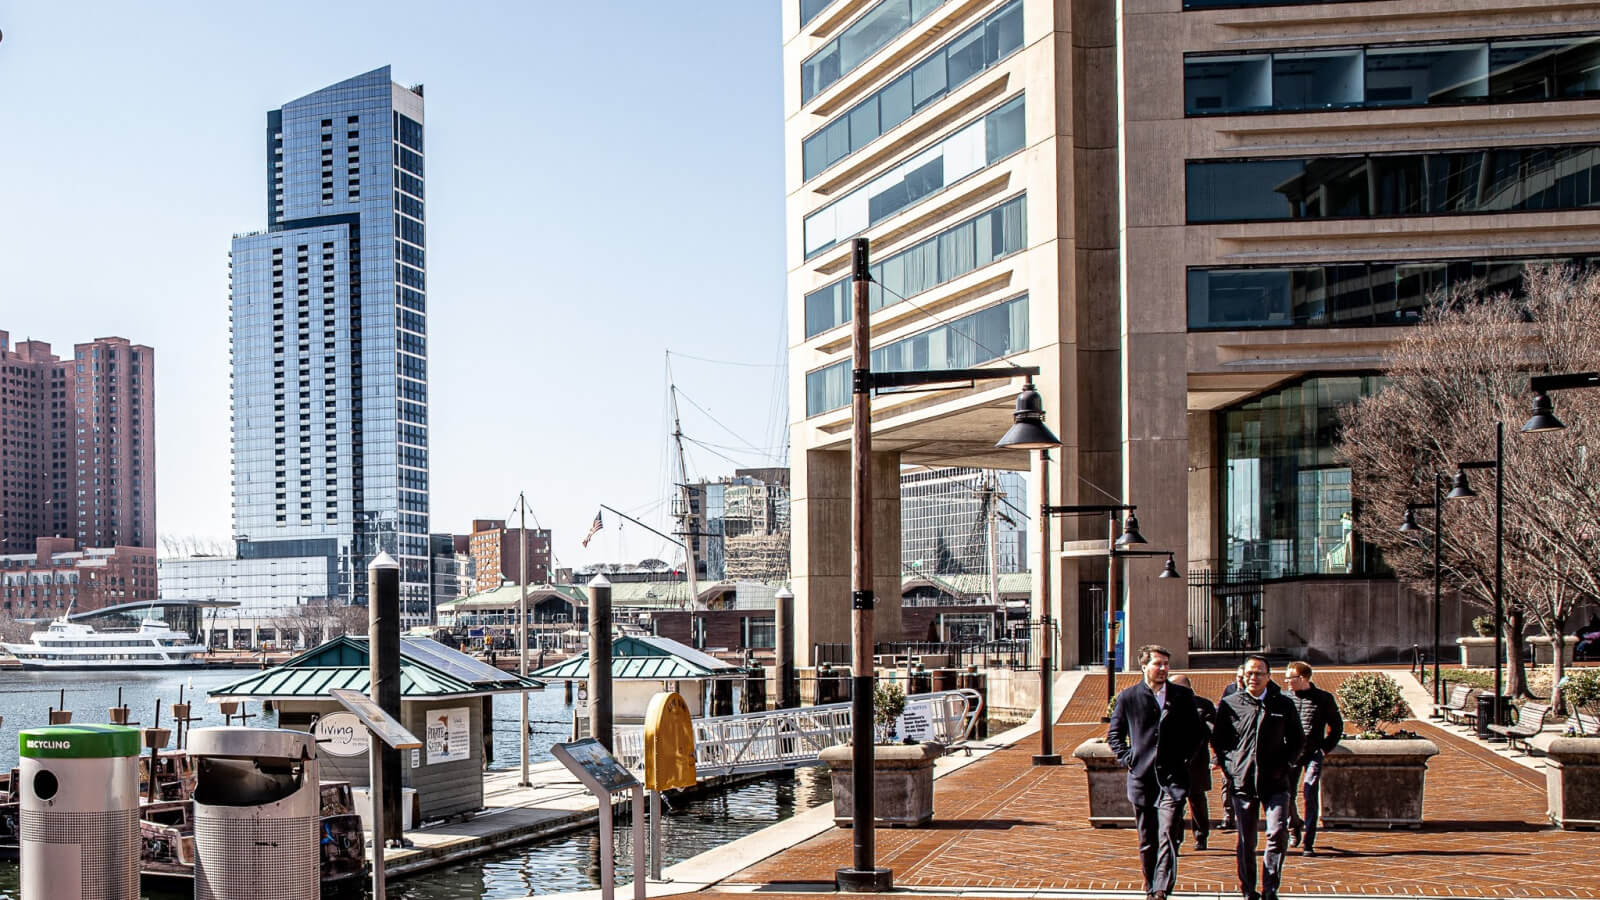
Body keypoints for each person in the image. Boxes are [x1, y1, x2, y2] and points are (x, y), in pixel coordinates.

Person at [1108, 645, 1204, 900]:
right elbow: (1115, 736)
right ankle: (1150, 885)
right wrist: (1130, 759)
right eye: (1158, 664)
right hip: (1142, 778)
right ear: (1144, 666)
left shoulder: (1182, 696)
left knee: (1169, 833)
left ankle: (1162, 888)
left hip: (1173, 779)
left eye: (1166, 664)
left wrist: (1184, 758)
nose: (1163, 669)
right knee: (1147, 838)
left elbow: (1196, 733)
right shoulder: (1128, 697)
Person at [1214, 655, 1305, 900]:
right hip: (1242, 782)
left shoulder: (1283, 705)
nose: (1253, 678)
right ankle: (1248, 889)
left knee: (1276, 834)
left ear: (1268, 676)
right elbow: (1220, 741)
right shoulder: (1230, 703)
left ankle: (1270, 888)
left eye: (1259, 673)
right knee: (1246, 841)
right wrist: (1229, 767)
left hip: (1275, 783)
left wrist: (1286, 764)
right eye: (1249, 673)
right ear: (1243, 675)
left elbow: (1297, 740)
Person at [1284, 662, 1342, 856]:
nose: (1287, 682)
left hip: (1313, 753)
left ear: (1303, 678)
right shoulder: (1284, 698)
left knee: (1310, 791)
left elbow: (1336, 726)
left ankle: (1308, 841)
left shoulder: (1323, 699)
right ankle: (1294, 826)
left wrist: (1324, 749)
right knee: (1287, 794)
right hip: (1291, 754)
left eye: (1290, 678)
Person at [1168, 673, 1215, 852]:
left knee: (1197, 802)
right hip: (1173, 764)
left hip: (1196, 763)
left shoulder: (1203, 705)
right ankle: (1175, 839)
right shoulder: (1166, 704)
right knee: (1175, 804)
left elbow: (1213, 732)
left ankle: (1201, 836)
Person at [1217, 665, 1246, 830]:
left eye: (1243, 676)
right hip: (1231, 747)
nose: (1240, 680)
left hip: (1247, 748)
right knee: (1226, 783)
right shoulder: (1230, 690)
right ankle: (1228, 816)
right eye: (1239, 676)